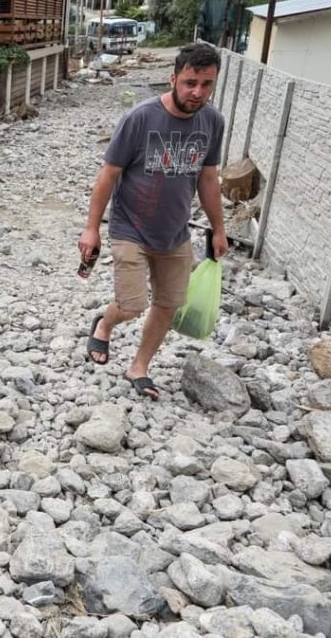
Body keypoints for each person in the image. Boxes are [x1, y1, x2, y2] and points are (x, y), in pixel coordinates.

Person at [78, 43, 227, 400]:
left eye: (206, 84)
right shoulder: (141, 118)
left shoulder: (212, 122)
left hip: (175, 232)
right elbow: (109, 174)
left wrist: (219, 229)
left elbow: (208, 179)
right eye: (191, 82)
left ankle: (139, 367)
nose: (198, 92)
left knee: (167, 304)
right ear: (173, 78)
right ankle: (105, 323)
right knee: (132, 305)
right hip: (130, 227)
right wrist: (91, 228)